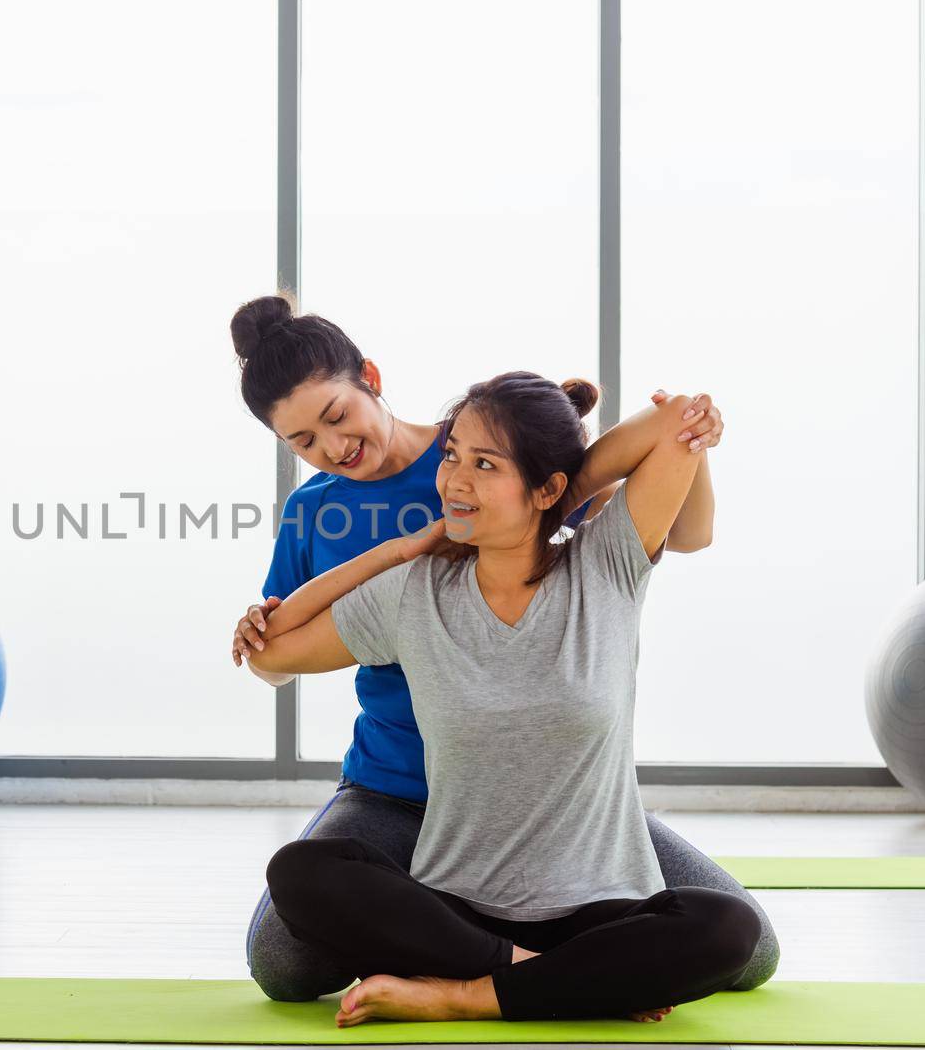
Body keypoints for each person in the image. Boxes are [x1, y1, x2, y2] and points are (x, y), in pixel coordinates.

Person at [227, 291, 777, 1004]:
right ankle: (537, 967)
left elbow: (664, 504)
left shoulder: (480, 455)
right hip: (397, 790)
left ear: (370, 376)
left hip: (555, 789)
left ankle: (479, 962)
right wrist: (404, 549)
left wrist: (560, 481)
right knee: (285, 962)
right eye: (302, 442)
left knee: (747, 944)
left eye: (335, 416)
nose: (331, 447)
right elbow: (275, 656)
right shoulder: (324, 520)